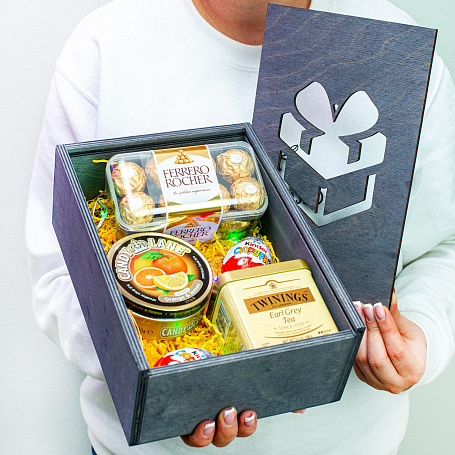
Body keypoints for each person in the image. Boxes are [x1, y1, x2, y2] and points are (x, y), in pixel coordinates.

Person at [26, 0, 455, 454]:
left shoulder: (392, 49)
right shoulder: (109, 44)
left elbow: (444, 244)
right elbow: (58, 272)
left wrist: (423, 334)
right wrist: (167, 380)